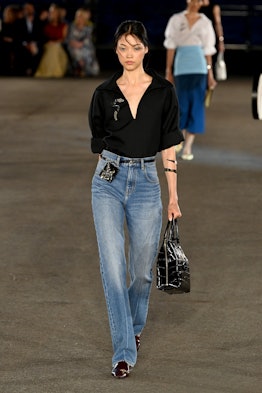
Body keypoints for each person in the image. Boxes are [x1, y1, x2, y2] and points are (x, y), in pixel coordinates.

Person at [88, 20, 184, 378]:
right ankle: (124, 351)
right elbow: (100, 144)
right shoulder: (103, 93)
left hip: (146, 182)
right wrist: (109, 173)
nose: (129, 54)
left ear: (146, 48)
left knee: (142, 271)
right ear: (116, 50)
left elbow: (169, 145)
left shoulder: (163, 91)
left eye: (135, 47)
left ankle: (134, 325)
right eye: (122, 48)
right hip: (108, 183)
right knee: (113, 268)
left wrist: (173, 196)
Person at [164, 0, 217, 160]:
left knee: (197, 106)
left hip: (199, 68)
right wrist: (168, 70)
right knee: (181, 105)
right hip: (181, 67)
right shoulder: (176, 19)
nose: (196, 2)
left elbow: (208, 49)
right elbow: (170, 46)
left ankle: (188, 146)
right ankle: (179, 138)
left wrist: (210, 74)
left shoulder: (205, 22)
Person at [34, 3, 68, 78]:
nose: (52, 13)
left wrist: (56, 42)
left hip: (59, 46)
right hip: (47, 45)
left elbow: (63, 39)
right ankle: (50, 72)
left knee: (54, 48)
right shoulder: (45, 23)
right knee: (51, 48)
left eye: (54, 11)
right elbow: (40, 36)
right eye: (51, 11)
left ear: (58, 13)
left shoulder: (64, 25)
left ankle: (52, 72)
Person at [67, 7, 99, 77]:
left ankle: (84, 69)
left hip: (85, 46)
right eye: (77, 16)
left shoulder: (89, 27)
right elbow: (70, 38)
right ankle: (79, 68)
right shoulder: (72, 26)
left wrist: (80, 44)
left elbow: (88, 39)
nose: (79, 18)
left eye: (80, 16)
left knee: (86, 53)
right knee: (76, 51)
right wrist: (74, 43)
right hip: (73, 46)